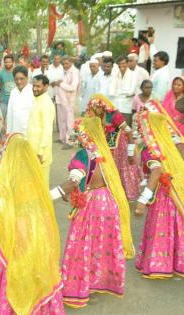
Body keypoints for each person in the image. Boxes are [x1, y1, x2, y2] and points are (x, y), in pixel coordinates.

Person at [0, 134, 65, 315]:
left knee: (11, 277)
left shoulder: (6, 183)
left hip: (13, 241)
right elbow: (45, 198)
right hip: (36, 240)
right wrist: (66, 187)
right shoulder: (34, 177)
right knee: (36, 276)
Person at [50, 116, 134, 308]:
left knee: (82, 244)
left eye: (78, 132)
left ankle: (78, 287)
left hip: (91, 205)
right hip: (108, 202)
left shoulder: (83, 155)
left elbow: (73, 182)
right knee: (101, 243)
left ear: (83, 134)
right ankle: (99, 282)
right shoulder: (104, 153)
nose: (77, 136)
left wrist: (47, 197)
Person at [135, 110, 184, 279]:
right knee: (178, 226)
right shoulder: (169, 141)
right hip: (179, 188)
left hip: (163, 194)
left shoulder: (150, 149)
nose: (139, 129)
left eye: (141, 126)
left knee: (162, 227)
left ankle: (160, 264)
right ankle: (179, 262)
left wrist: (143, 200)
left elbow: (156, 171)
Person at [86, 94, 141, 200]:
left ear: (103, 106)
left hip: (120, 148)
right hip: (106, 149)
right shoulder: (94, 116)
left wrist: (130, 153)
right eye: (94, 107)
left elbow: (128, 131)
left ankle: (122, 195)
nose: (96, 110)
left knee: (121, 170)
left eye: (98, 107)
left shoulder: (114, 115)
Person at [26, 74, 56, 184]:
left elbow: (47, 130)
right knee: (33, 182)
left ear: (46, 86)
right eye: (33, 86)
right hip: (32, 148)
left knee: (41, 184)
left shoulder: (46, 104)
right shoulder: (36, 99)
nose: (35, 88)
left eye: (38, 86)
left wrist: (41, 152)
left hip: (40, 152)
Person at [55, 56, 80, 149]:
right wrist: (58, 82)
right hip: (61, 99)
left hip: (69, 100)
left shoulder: (75, 72)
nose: (65, 65)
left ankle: (70, 142)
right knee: (62, 120)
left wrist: (60, 83)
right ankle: (62, 138)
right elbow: (61, 82)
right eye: (63, 64)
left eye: (66, 63)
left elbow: (73, 87)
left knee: (69, 122)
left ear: (71, 63)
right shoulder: (63, 71)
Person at [6, 65, 34, 134]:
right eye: (16, 79)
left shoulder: (33, 91)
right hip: (15, 131)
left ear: (27, 78)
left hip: (30, 132)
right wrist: (8, 132)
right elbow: (10, 114)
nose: (19, 81)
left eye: (22, 79)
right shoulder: (13, 92)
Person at [162, 76, 184, 141]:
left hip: (182, 129)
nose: (175, 86)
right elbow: (162, 110)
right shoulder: (169, 96)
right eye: (174, 84)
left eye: (179, 85)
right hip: (166, 125)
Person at [113, 56, 137, 127]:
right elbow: (113, 91)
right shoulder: (116, 75)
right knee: (116, 130)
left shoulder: (133, 74)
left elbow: (131, 92)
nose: (121, 65)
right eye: (119, 64)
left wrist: (119, 93)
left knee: (126, 130)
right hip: (116, 106)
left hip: (126, 108)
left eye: (123, 63)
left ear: (127, 63)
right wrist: (124, 93)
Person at [0, 54, 15, 120]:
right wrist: (2, 90)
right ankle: (2, 130)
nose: (7, 63)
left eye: (9, 62)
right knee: (1, 119)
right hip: (4, 101)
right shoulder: (1, 73)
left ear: (13, 62)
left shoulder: (16, 72)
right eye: (6, 62)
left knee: (14, 119)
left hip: (14, 101)